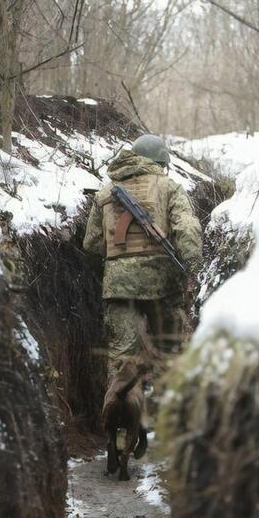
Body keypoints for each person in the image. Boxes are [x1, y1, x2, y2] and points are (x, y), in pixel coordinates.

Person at [83, 134, 202, 437]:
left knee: (122, 360)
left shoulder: (106, 193)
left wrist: (122, 259)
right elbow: (186, 227)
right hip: (163, 284)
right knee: (168, 352)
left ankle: (117, 430)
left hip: (119, 287)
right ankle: (163, 430)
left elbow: (93, 243)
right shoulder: (169, 186)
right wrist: (192, 264)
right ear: (162, 162)